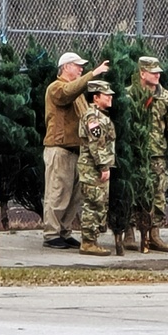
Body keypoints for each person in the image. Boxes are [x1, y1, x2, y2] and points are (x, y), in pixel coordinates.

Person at [42, 52, 109, 249]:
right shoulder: (56, 88)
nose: (81, 69)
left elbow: (87, 116)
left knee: (73, 196)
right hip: (59, 148)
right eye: (77, 65)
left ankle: (64, 231)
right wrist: (93, 73)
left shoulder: (78, 94)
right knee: (57, 192)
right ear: (65, 67)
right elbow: (67, 92)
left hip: (76, 150)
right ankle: (51, 233)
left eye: (82, 66)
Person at [122, 56, 168, 253]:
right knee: (130, 194)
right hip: (133, 153)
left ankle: (154, 234)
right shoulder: (128, 96)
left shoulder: (166, 98)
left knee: (158, 194)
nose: (158, 75)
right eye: (153, 72)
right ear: (142, 73)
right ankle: (129, 232)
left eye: (159, 72)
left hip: (157, 155)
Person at [76, 80, 116, 256]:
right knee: (93, 203)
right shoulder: (93, 118)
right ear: (96, 97)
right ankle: (88, 242)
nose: (110, 97)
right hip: (92, 168)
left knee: (99, 202)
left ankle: (92, 239)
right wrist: (103, 166)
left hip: (95, 168)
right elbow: (96, 144)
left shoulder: (100, 116)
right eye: (106, 95)